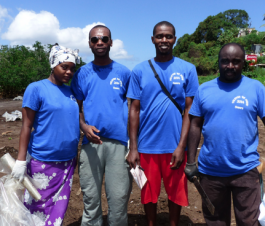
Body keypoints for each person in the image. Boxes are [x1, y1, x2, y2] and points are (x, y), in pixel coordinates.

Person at [184, 43, 265, 226]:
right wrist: (191, 161)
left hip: (246, 170)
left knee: (249, 221)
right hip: (211, 172)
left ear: (244, 63)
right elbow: (195, 125)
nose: (230, 66)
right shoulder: (204, 89)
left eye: (236, 62)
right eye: (225, 61)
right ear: (218, 62)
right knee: (215, 221)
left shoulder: (255, 88)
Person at [126, 21, 199, 226]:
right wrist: (134, 147)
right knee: (148, 192)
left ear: (175, 39)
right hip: (147, 145)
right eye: (159, 36)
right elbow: (134, 109)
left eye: (168, 36)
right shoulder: (139, 70)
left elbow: (189, 110)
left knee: (176, 191)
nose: (164, 40)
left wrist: (181, 146)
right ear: (153, 40)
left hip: (174, 145)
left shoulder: (188, 69)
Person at [11, 44, 81, 226]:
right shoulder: (36, 89)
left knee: (59, 208)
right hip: (43, 161)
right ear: (53, 65)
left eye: (72, 69)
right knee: (37, 207)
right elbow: (26, 126)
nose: (68, 72)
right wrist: (20, 160)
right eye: (64, 67)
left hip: (67, 162)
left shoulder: (70, 91)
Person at [70, 25, 132, 226]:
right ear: (89, 43)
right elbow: (76, 108)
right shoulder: (81, 74)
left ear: (111, 42)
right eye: (95, 39)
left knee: (119, 198)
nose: (100, 43)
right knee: (91, 198)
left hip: (119, 143)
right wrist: (83, 126)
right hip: (91, 144)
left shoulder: (124, 73)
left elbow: (134, 108)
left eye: (104, 39)